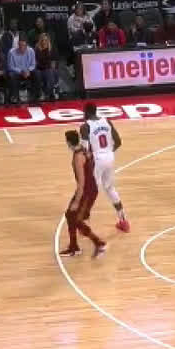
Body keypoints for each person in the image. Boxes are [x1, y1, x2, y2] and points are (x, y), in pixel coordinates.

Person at [79, 102, 129, 232]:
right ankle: (123, 221)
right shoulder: (107, 122)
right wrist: (107, 152)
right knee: (110, 189)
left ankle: (84, 223)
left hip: (96, 159)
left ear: (86, 112)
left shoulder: (85, 127)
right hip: (109, 157)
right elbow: (118, 142)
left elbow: (84, 149)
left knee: (89, 192)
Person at [61, 129, 107, 258]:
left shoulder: (78, 157)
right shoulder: (84, 149)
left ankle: (99, 243)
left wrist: (76, 201)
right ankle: (74, 247)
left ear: (69, 142)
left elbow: (81, 182)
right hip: (89, 188)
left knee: (76, 219)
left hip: (87, 191)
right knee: (70, 215)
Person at [8, 38, 37, 105]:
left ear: (27, 46)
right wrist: (21, 71)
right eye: (20, 45)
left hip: (28, 72)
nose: (21, 47)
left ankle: (34, 96)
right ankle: (15, 97)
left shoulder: (31, 51)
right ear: (18, 45)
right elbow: (10, 66)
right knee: (11, 75)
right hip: (17, 72)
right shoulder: (11, 52)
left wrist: (28, 70)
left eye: (23, 45)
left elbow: (33, 64)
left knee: (37, 74)